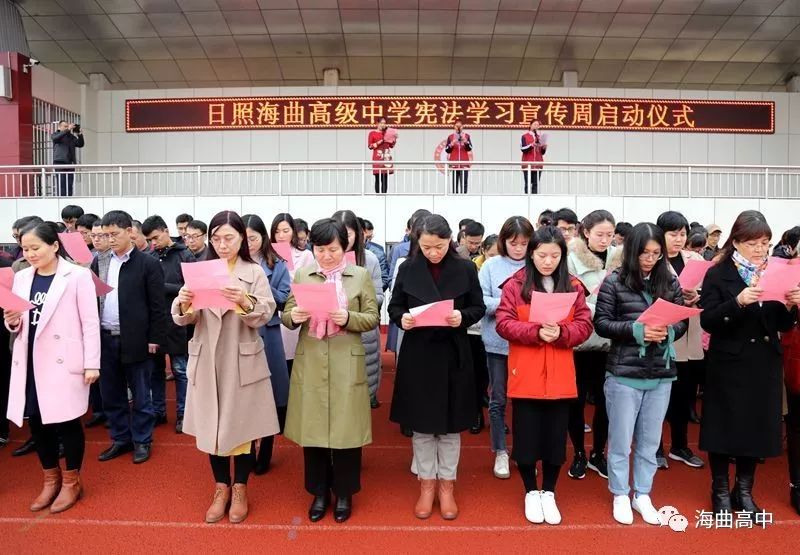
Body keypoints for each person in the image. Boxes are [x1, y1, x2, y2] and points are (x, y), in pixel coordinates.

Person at [174, 210, 280, 524]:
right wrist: (182, 302)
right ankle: (220, 487)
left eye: (229, 238)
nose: (222, 244)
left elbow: (265, 313)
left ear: (241, 240)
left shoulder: (254, 271)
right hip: (207, 356)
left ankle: (240, 487)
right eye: (217, 238)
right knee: (212, 424)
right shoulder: (199, 270)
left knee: (241, 426)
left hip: (241, 356)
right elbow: (187, 317)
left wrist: (246, 302)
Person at [699, 211, 800, 519]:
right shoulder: (719, 273)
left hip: (765, 361)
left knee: (756, 426)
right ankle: (719, 490)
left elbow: (781, 322)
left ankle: (743, 490)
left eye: (765, 243)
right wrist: (738, 302)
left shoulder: (775, 272)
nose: (760, 250)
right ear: (737, 242)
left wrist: (793, 306)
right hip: (729, 360)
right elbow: (708, 319)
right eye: (753, 243)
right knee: (723, 425)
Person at [389, 214, 486, 520]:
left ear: (450, 241)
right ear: (418, 242)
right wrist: (401, 318)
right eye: (427, 246)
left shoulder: (466, 268)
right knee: (421, 427)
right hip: (418, 354)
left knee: (449, 428)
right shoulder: (407, 267)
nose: (434, 252)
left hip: (454, 353)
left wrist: (463, 317)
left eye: (440, 246)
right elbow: (395, 305)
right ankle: (426, 484)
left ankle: (447, 486)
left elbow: (478, 306)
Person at [282, 218, 379, 523]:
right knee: (313, 432)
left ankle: (345, 493)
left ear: (345, 246)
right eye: (320, 249)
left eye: (333, 249)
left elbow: (373, 317)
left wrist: (347, 316)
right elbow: (286, 313)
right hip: (311, 359)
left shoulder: (359, 275)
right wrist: (294, 315)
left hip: (345, 359)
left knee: (346, 433)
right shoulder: (303, 274)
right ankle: (319, 492)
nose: (326, 255)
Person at [495, 225, 593, 524]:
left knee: (554, 438)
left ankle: (548, 491)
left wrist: (562, 332)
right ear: (531, 254)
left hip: (561, 375)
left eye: (554, 255)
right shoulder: (515, 285)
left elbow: (585, 325)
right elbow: (503, 322)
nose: (547, 261)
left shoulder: (573, 286)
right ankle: (530, 491)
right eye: (541, 255)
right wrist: (536, 331)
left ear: (562, 255)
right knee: (526, 438)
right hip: (526, 372)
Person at [594, 222, 688, 526]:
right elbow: (602, 323)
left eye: (656, 254)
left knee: (650, 441)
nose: (650, 260)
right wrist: (638, 330)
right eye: (645, 254)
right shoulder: (614, 281)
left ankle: (642, 493)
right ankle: (620, 493)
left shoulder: (669, 281)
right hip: (624, 372)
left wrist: (668, 331)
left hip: (661, 372)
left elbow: (682, 321)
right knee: (620, 439)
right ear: (632, 252)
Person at [3, 221, 100, 513]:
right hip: (30, 361)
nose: (30, 254)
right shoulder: (21, 279)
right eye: (25, 249)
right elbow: (15, 322)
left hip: (63, 360)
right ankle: (50, 479)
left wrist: (91, 363)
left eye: (35, 247)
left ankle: (72, 482)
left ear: (54, 246)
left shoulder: (78, 276)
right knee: (37, 423)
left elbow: (90, 322)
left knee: (68, 422)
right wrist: (12, 321)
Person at [92, 210, 168, 465]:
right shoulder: (100, 261)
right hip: (105, 337)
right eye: (105, 234)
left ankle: (143, 440)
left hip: (136, 338)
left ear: (129, 232)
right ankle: (121, 438)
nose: (110, 239)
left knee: (141, 394)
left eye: (114, 234)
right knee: (111, 393)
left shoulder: (147, 263)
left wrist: (154, 338)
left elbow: (157, 305)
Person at [566, 210, 622, 481]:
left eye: (609, 235)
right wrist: (598, 308)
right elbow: (567, 298)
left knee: (606, 401)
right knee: (575, 401)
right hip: (579, 340)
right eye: (599, 234)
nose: (605, 240)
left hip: (610, 341)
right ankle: (578, 453)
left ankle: (599, 453)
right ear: (585, 232)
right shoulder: (569, 258)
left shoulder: (619, 258)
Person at [478, 217, 534, 480]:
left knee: (526, 401)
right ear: (503, 241)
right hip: (498, 342)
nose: (519, 248)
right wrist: (509, 302)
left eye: (524, 243)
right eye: (514, 243)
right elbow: (480, 300)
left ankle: (525, 451)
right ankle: (500, 449)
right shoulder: (491, 266)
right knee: (498, 398)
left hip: (529, 343)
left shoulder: (536, 265)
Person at [654, 211, 705, 470]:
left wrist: (697, 296)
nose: (678, 239)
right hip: (666, 331)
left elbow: (707, 290)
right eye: (673, 234)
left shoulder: (694, 258)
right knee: (661, 395)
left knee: (685, 394)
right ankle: (656, 448)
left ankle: (680, 445)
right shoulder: (652, 260)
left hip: (690, 329)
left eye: (682, 233)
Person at [242, 214, 291, 475]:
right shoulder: (231, 264)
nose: (249, 243)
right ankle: (248, 449)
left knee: (270, 394)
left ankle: (267, 449)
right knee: (246, 394)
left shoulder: (277, 263)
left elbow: (284, 297)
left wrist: (261, 283)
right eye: (245, 238)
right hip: (241, 332)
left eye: (254, 238)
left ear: (264, 238)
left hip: (269, 333)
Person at [141, 215, 195, 433]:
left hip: (178, 321)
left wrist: (163, 287)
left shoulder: (185, 255)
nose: (153, 243)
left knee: (181, 370)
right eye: (150, 240)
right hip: (154, 321)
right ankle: (158, 411)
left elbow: (192, 287)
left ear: (165, 231)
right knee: (155, 371)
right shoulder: (149, 256)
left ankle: (183, 413)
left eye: (155, 237)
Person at [332, 211, 384, 410]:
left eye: (349, 234)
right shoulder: (321, 257)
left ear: (359, 235)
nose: (345, 239)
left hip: (362, 330)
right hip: (331, 332)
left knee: (360, 391)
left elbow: (379, 296)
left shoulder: (369, 259)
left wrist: (352, 304)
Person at [773, 231, 800, 515]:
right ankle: (797, 485)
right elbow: (783, 320)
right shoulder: (789, 274)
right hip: (796, 357)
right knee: (797, 424)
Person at [270, 213, 315, 377]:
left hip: (294, 310)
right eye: (277, 231)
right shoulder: (267, 254)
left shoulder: (305, 255)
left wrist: (285, 272)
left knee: (293, 361)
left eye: (285, 230)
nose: (281, 235)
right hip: (273, 311)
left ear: (293, 232)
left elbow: (307, 285)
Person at [51, 121, 84, 197]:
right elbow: (56, 138)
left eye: (67, 126)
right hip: (59, 162)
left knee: (69, 184)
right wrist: (68, 129)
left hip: (70, 163)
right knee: (61, 183)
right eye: (65, 126)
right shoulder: (55, 134)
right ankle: (61, 200)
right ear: (59, 127)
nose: (67, 128)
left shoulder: (71, 137)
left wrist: (80, 134)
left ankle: (69, 199)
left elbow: (80, 144)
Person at [367, 117, 396, 194]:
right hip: (377, 157)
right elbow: (370, 146)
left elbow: (391, 145)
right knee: (377, 177)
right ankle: (378, 196)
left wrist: (394, 139)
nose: (383, 125)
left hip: (386, 157)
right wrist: (380, 141)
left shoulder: (387, 133)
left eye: (384, 123)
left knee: (385, 178)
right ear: (377, 123)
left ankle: (384, 197)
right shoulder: (372, 133)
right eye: (381, 123)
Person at [361, 218, 390, 291]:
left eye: (370, 237)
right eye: (367, 237)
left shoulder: (378, 251)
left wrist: (372, 294)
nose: (368, 240)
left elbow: (384, 278)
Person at [445, 120, 472, 194]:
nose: (458, 128)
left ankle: (464, 198)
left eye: (460, 126)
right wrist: (452, 144)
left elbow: (470, 148)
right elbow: (447, 150)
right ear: (454, 127)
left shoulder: (466, 136)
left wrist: (466, 142)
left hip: (464, 164)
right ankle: (454, 197)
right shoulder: (450, 137)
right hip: (454, 165)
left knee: (464, 183)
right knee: (454, 184)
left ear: (462, 127)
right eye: (457, 126)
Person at [521, 120, 547, 194]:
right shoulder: (524, 136)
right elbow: (523, 149)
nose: (536, 126)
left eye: (537, 125)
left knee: (536, 184)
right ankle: (527, 200)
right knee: (528, 184)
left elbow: (542, 153)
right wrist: (532, 145)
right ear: (530, 125)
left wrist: (544, 148)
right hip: (528, 164)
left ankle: (534, 200)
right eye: (535, 124)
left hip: (538, 164)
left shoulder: (539, 137)